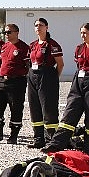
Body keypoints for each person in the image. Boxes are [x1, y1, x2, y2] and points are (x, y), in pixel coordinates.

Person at [43, 23, 89, 155]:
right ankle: (56, 144)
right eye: (81, 33)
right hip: (78, 80)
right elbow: (78, 64)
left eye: (85, 33)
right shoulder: (79, 48)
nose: (82, 36)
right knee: (70, 112)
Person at [27, 18, 63, 148]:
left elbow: (60, 64)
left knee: (48, 108)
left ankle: (51, 140)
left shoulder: (53, 44)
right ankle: (38, 139)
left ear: (47, 27)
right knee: (34, 107)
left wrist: (53, 78)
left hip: (47, 75)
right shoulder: (32, 45)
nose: (38, 27)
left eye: (41, 25)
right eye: (36, 25)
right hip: (33, 75)